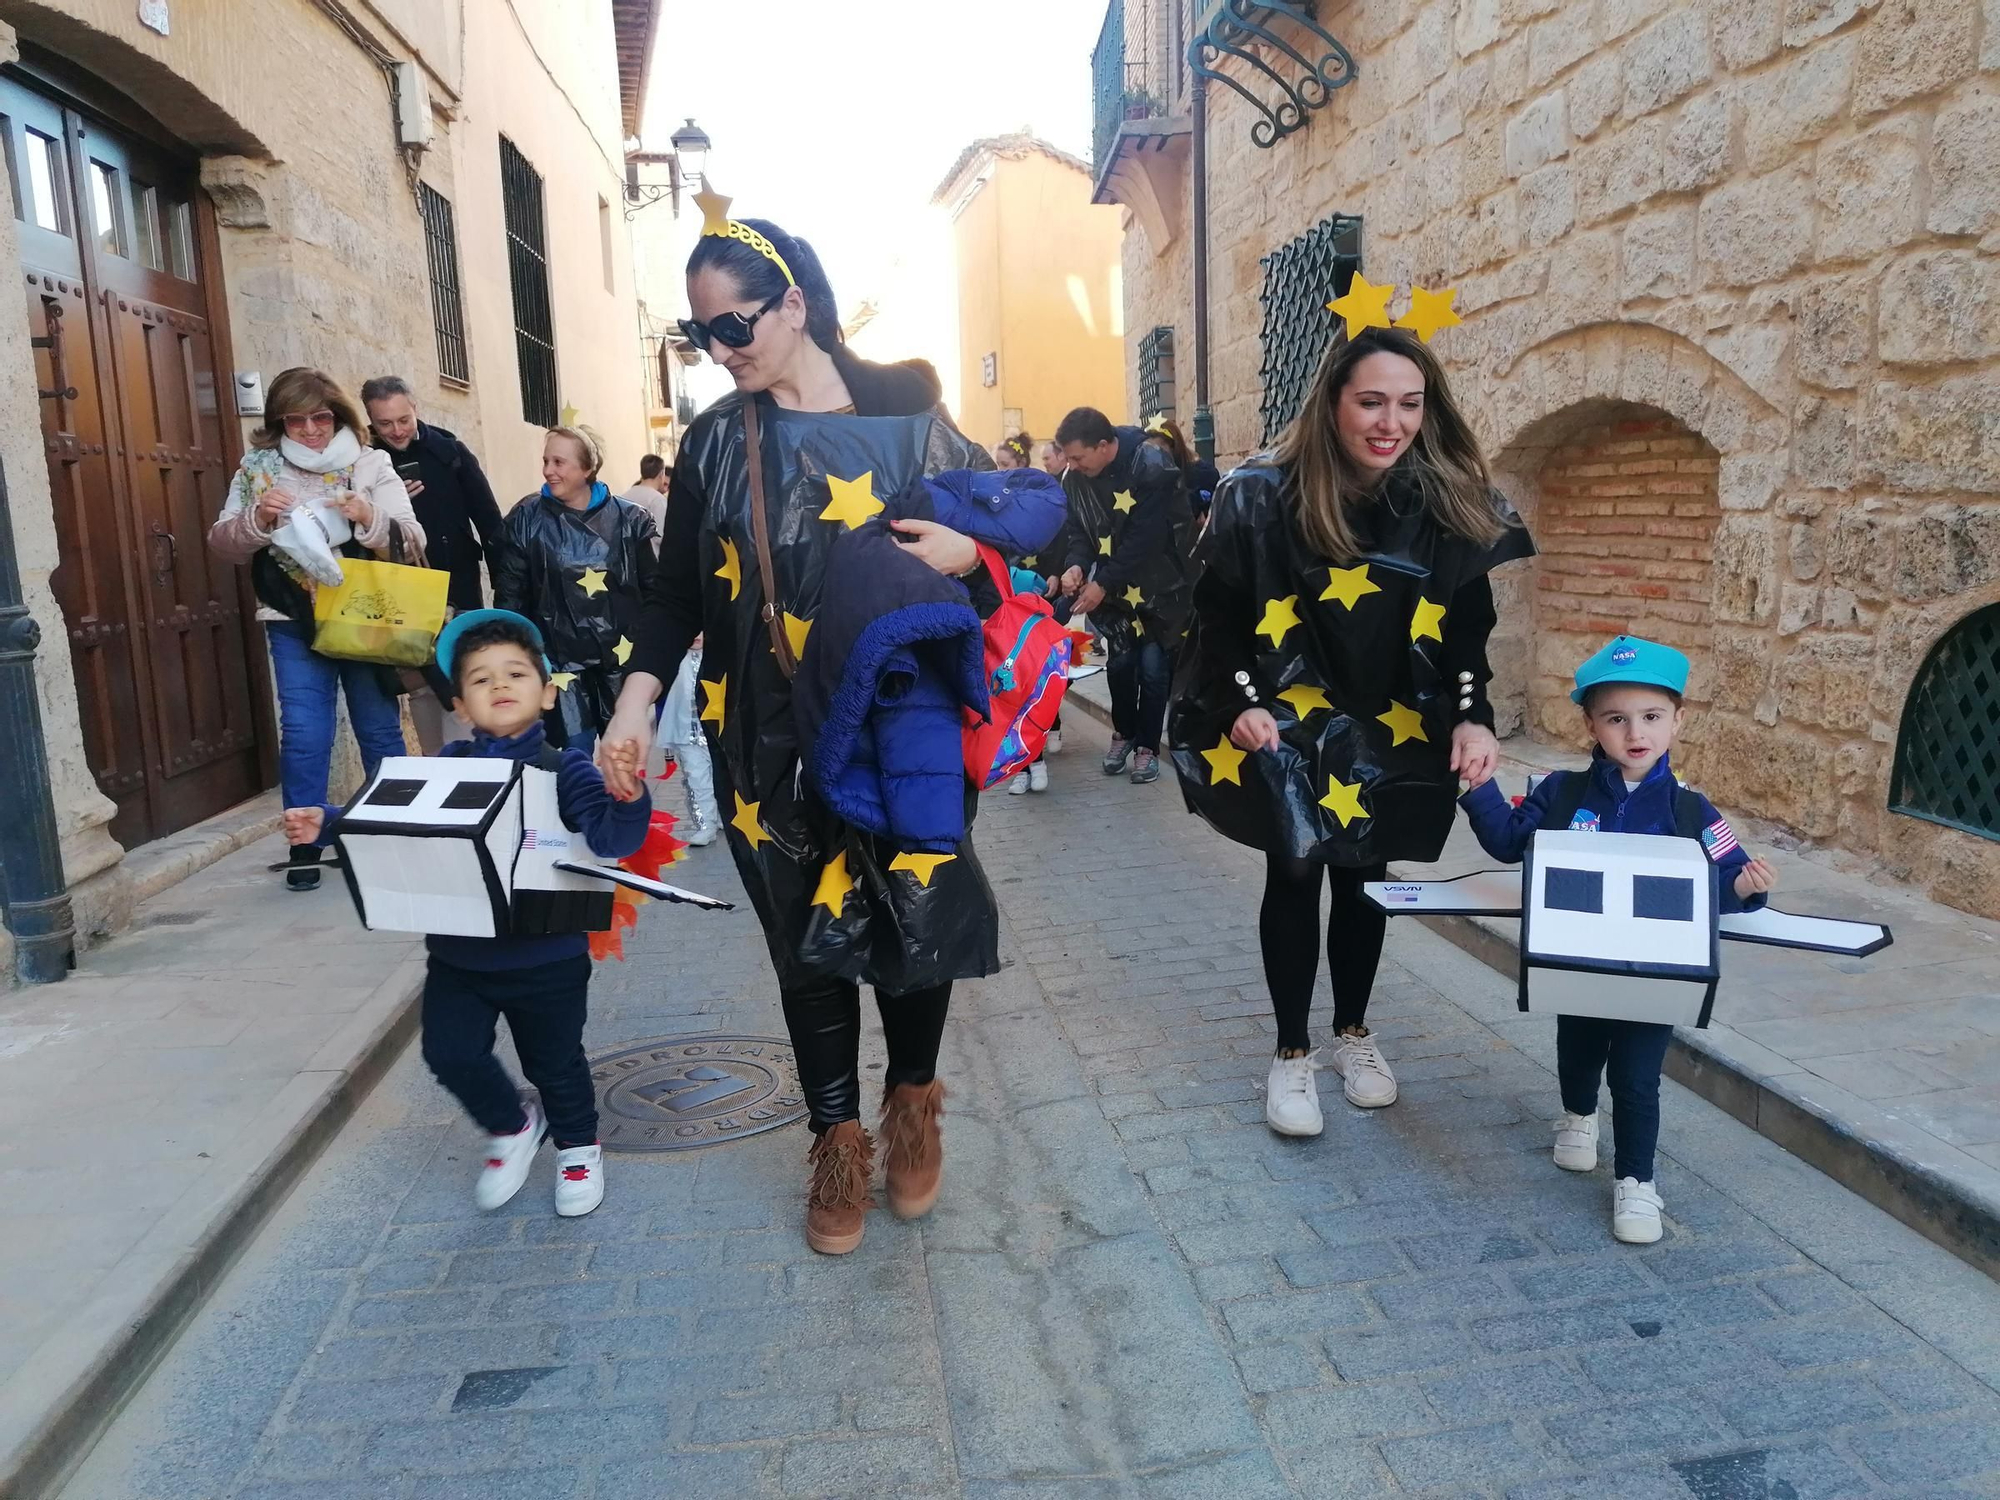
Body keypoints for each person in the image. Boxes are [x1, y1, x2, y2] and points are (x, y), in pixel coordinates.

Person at [593, 206, 1019, 1257]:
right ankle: (836, 1144)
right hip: (761, 738)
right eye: (698, 336)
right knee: (803, 947)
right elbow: (669, 595)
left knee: (912, 919)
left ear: (793, 304)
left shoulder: (911, 410)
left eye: (731, 327)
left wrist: (974, 561)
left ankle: (911, 1105)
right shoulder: (708, 442)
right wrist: (634, 698)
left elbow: (1004, 537)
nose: (717, 352)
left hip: (899, 725)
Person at [1169, 324, 1534, 1133]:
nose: (1390, 422)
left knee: (1368, 867)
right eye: (1371, 401)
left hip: (1394, 714)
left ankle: (1353, 1035)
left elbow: (1469, 626)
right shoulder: (1260, 495)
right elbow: (1218, 614)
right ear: (1332, 401)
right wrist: (1238, 702)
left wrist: (1474, 714)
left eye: (1409, 403)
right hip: (1288, 710)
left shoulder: (1445, 500)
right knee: (1297, 865)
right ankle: (1292, 1054)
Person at [283, 610, 652, 1218]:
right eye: (480, 680)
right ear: (458, 702)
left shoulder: (567, 769)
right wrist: (329, 822)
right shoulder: (443, 766)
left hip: (548, 954)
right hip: (459, 953)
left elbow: (611, 839)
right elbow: (392, 817)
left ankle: (579, 1146)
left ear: (548, 690)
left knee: (555, 1061)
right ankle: (510, 1126)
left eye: (515, 673)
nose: (499, 685)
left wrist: (628, 794)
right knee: (449, 1053)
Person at [1457, 635, 1777, 1243]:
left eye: (1652, 716)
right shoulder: (1562, 793)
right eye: (1616, 718)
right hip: (1578, 963)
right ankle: (1578, 1118)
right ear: (1592, 725)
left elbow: (1725, 881)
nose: (1636, 732)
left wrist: (1745, 889)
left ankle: (1636, 1182)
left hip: (1655, 975)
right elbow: (1508, 842)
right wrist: (1480, 790)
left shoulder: (1692, 811)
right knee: (1577, 1051)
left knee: (1636, 1076)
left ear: (1677, 721)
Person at [207, 367, 422, 892]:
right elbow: (221, 542)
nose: (309, 430)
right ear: (280, 421)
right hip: (291, 618)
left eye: (320, 418)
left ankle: (387, 834)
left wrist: (367, 516)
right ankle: (304, 840)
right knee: (306, 732)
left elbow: (411, 541)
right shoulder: (258, 468)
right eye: (296, 420)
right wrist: (258, 518)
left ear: (338, 416)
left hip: (363, 614)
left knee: (378, 728)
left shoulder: (370, 463)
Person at [361, 375, 505, 753]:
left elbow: (488, 519)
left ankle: (472, 766)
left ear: (415, 409)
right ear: (370, 422)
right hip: (398, 592)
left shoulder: (449, 450)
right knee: (419, 682)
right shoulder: (364, 463)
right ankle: (437, 763)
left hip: (455, 583)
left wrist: (506, 587)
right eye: (385, 424)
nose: (396, 431)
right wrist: (388, 500)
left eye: (403, 420)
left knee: (461, 672)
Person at [491, 425, 656, 754]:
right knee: (570, 761)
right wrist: (512, 652)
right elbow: (511, 594)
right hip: (559, 665)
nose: (548, 471)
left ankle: (623, 808)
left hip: (620, 661)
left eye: (559, 462)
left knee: (623, 757)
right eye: (546, 461)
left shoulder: (631, 520)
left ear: (587, 468)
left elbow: (654, 590)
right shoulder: (527, 518)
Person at [1051, 406, 1193, 785]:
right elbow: (1079, 530)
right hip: (1116, 592)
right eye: (1069, 458)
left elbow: (1145, 539)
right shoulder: (1075, 477)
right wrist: (1076, 565)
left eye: (1078, 457)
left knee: (1152, 667)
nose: (1073, 465)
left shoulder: (1150, 461)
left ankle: (1146, 745)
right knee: (1119, 665)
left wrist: (1102, 583)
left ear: (1103, 445)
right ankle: (1124, 733)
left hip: (1164, 590)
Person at [1145, 414, 1221, 530]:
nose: (1155, 456)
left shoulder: (1203, 474)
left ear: (1173, 446)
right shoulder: (1149, 477)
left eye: (1159, 449)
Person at [622, 452, 671, 540]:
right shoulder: (657, 500)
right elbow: (661, 536)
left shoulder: (623, 497)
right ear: (661, 474)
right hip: (651, 552)